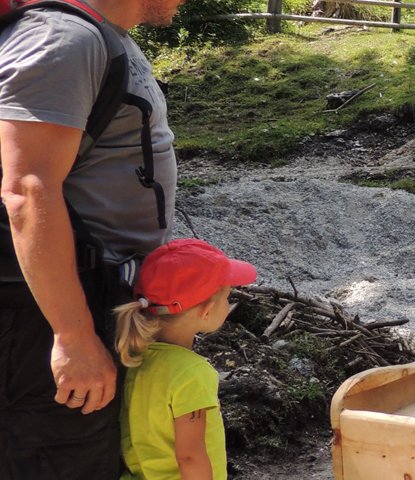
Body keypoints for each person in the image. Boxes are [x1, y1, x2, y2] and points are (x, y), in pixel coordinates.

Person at [0, 0, 181, 477]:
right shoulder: (64, 40)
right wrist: (72, 336)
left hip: (87, 295)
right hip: (42, 314)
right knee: (57, 459)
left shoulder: (99, 35)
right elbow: (25, 190)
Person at [114, 238, 256, 480]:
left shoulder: (134, 358)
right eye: (227, 298)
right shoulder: (193, 374)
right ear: (206, 311)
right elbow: (190, 456)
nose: (229, 305)